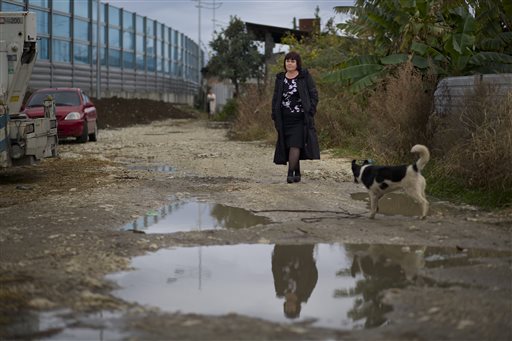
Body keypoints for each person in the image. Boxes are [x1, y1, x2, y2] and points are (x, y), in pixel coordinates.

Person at [271, 51, 320, 183]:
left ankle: (290, 173)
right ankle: (297, 171)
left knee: (295, 144)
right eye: (287, 61)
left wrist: (311, 111)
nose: (289, 63)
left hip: (300, 118)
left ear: (297, 63)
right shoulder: (281, 78)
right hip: (284, 118)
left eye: (292, 61)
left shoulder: (304, 76)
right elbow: (276, 98)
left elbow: (314, 94)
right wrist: (274, 114)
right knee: (288, 145)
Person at [271, 244, 318, 319]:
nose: (289, 307)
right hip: (303, 254)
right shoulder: (304, 293)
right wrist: (310, 262)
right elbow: (313, 278)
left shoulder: (280, 290)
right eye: (291, 309)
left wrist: (274, 258)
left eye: (287, 309)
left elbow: (276, 273)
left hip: (283, 253)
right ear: (297, 307)